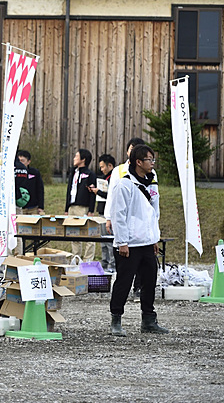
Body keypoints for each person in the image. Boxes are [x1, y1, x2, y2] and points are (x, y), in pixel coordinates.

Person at [108, 144, 168, 336]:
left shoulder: (152, 183)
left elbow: (153, 213)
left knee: (150, 281)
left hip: (147, 242)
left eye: (153, 159)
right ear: (138, 162)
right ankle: (116, 319)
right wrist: (122, 242)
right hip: (129, 244)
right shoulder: (124, 184)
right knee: (124, 282)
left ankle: (148, 320)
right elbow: (118, 215)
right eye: (149, 159)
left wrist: (154, 239)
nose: (152, 163)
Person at [65, 148, 96, 261]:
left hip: (83, 208)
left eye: (76, 156)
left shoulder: (90, 174)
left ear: (83, 159)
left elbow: (93, 193)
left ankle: (88, 261)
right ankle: (76, 259)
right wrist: (66, 207)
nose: (74, 158)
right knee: (74, 235)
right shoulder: (73, 172)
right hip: (72, 207)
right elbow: (69, 190)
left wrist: (91, 210)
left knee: (88, 236)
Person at [91, 153, 116, 273]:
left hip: (109, 214)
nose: (101, 169)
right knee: (103, 241)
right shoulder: (103, 178)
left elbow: (111, 196)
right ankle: (105, 263)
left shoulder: (114, 178)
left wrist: (98, 192)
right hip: (101, 211)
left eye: (103, 167)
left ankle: (112, 264)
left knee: (109, 240)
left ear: (110, 165)